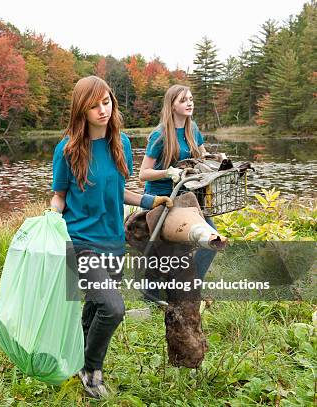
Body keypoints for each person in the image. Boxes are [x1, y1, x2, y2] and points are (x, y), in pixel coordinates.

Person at [50, 76, 172, 399]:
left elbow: (119, 192)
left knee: (93, 309)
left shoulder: (122, 144)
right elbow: (59, 196)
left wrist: (151, 201)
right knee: (113, 308)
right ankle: (92, 371)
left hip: (113, 242)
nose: (102, 110)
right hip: (80, 242)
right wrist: (50, 218)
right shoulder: (67, 150)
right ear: (82, 109)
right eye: (94, 105)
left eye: (106, 102)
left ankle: (77, 360)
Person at [138, 84, 217, 283]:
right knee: (163, 252)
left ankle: (188, 285)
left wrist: (215, 161)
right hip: (163, 200)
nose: (189, 103)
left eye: (190, 99)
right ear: (172, 106)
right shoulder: (160, 135)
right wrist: (169, 172)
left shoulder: (193, 129)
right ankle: (153, 295)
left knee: (213, 239)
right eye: (183, 100)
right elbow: (143, 173)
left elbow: (201, 157)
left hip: (187, 198)